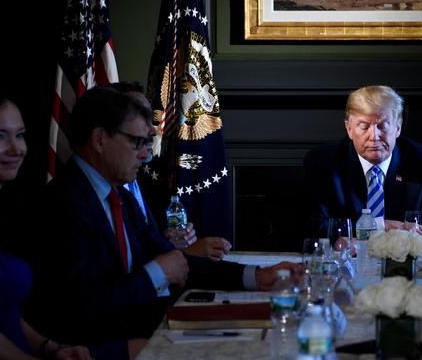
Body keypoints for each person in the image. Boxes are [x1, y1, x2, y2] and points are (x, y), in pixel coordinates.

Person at [23, 86, 299, 360]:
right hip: (94, 348)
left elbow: (176, 260)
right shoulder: (63, 204)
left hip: (145, 331)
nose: (146, 154)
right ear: (99, 139)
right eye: (137, 142)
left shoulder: (120, 198)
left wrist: (255, 276)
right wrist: (156, 273)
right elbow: (82, 307)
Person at [0, 92, 91, 360]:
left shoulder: (7, 212)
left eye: (20, 134)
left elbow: (6, 313)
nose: (16, 148)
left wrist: (52, 348)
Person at [304, 85, 422, 249]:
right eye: (364, 126)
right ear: (349, 129)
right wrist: (383, 226)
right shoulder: (323, 162)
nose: (374, 136)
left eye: (383, 125)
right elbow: (314, 226)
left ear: (398, 128)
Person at [110, 81, 231, 260]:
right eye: (140, 117)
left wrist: (173, 243)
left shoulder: (148, 177)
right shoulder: (104, 190)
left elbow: (148, 245)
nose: (153, 129)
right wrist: (184, 254)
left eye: (150, 117)